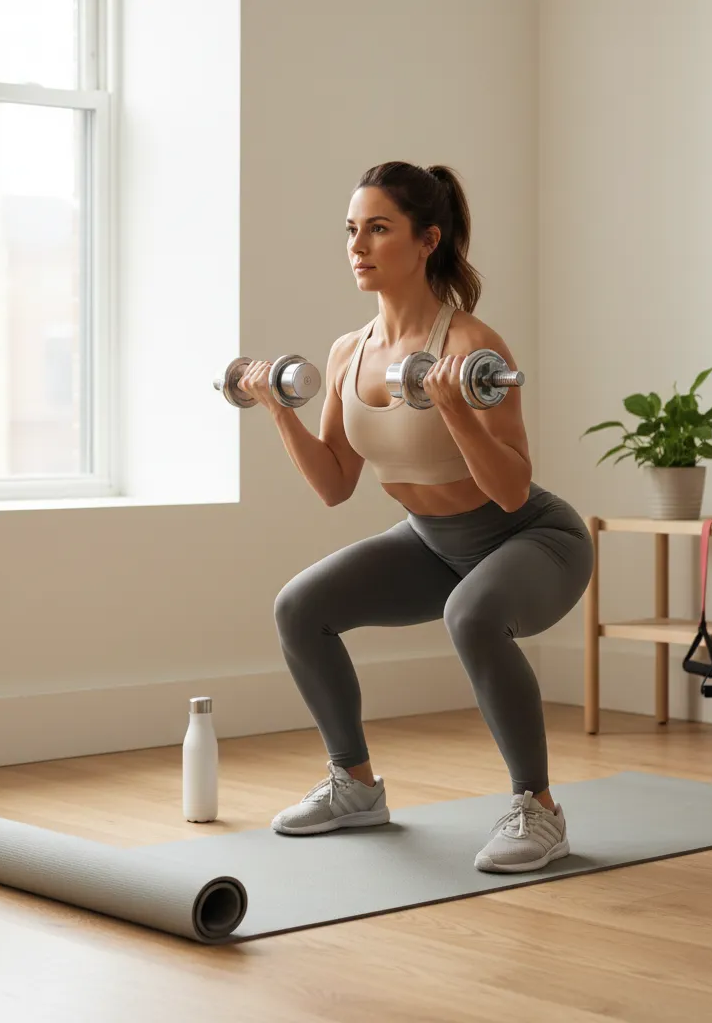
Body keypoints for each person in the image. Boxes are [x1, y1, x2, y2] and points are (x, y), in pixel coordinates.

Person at [237, 161, 594, 873]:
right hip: (433, 545)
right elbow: (337, 484)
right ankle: (355, 787)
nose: (358, 246)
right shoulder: (348, 353)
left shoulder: (471, 347)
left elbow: (513, 491)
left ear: (427, 239)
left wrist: (457, 407)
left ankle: (539, 809)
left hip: (533, 540)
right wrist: (281, 411)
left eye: (378, 229)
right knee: (300, 607)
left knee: (471, 615)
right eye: (351, 230)